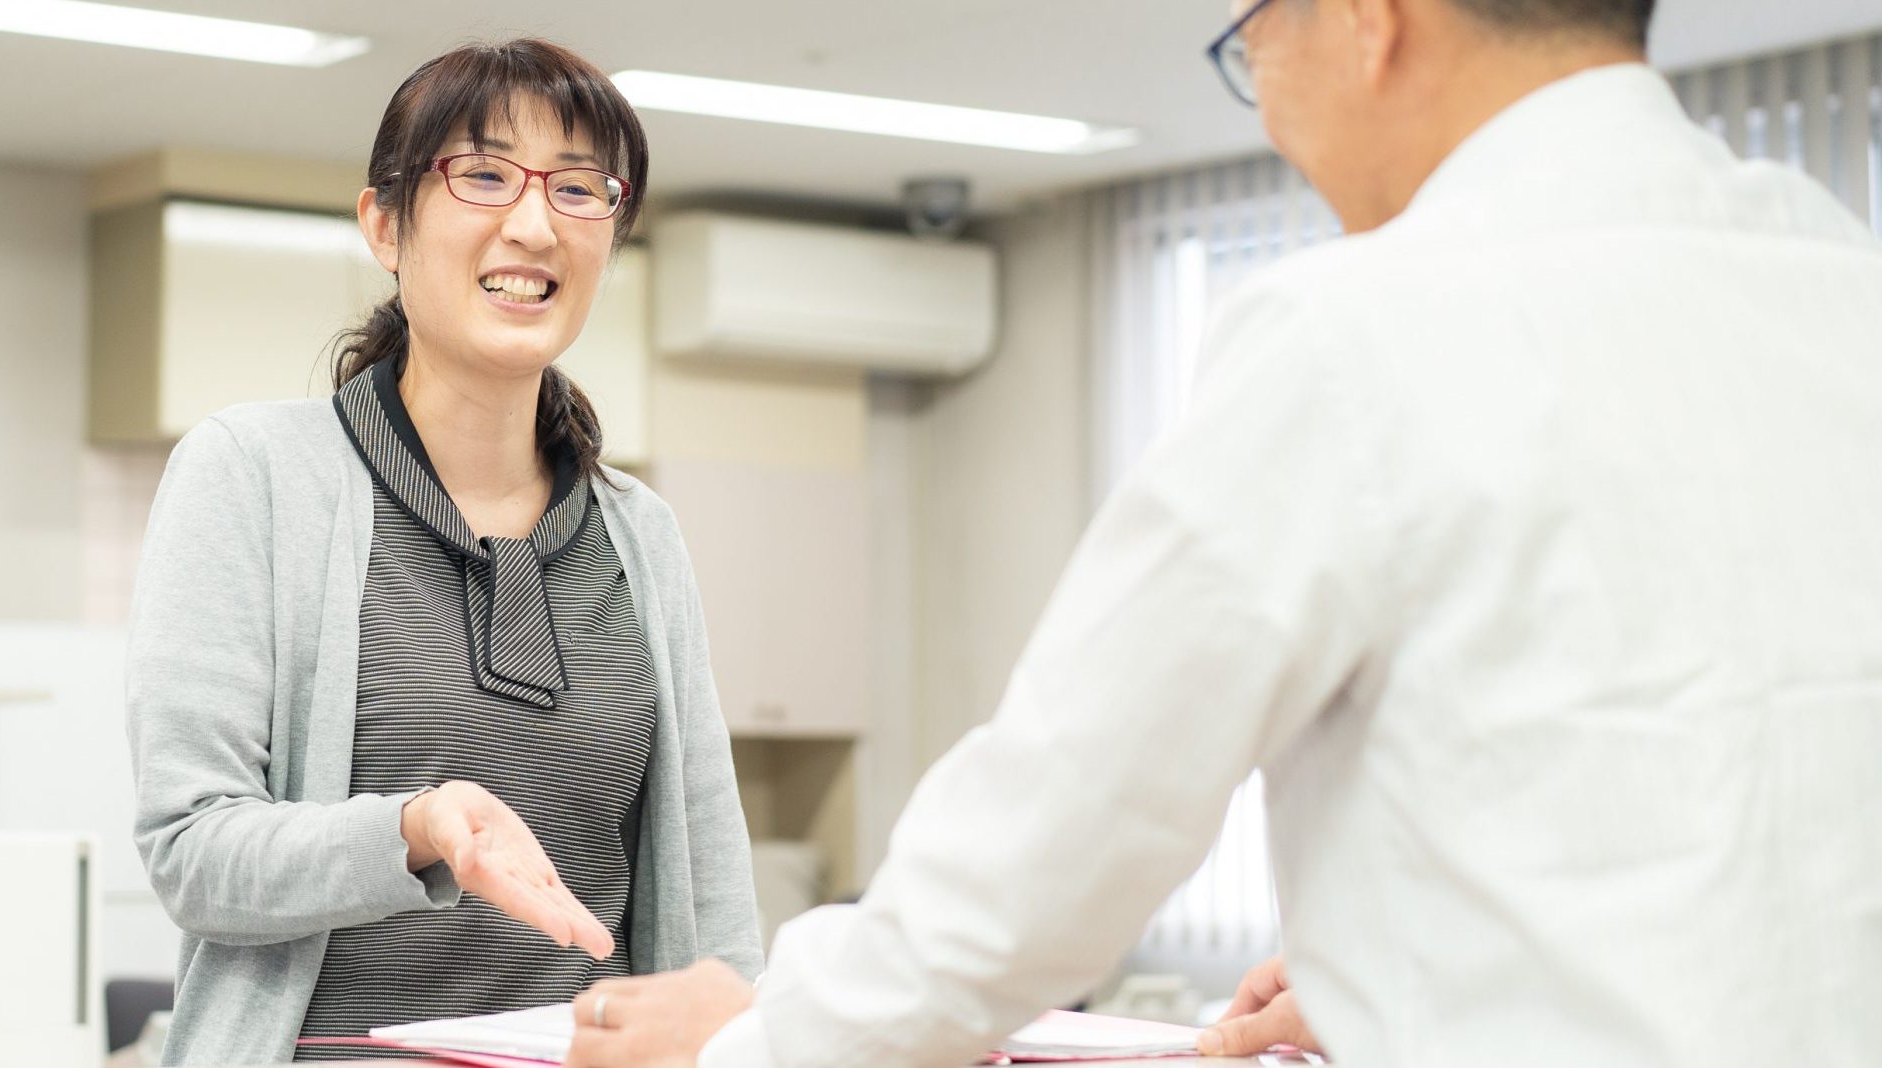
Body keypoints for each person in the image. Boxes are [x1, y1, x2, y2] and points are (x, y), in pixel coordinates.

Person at [561, 1, 1882, 1066]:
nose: (1268, 91)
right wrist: (1436, 946)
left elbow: (1058, 833)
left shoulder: (1364, 325)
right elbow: (1718, 752)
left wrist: (751, 1043)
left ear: (1371, 22)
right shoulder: (1836, 278)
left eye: (1254, 41)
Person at [124, 37, 762, 1067]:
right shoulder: (252, 472)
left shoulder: (638, 531)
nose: (532, 223)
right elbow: (193, 854)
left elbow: (712, 897)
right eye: (482, 175)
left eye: (578, 188)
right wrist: (416, 829)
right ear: (384, 223)